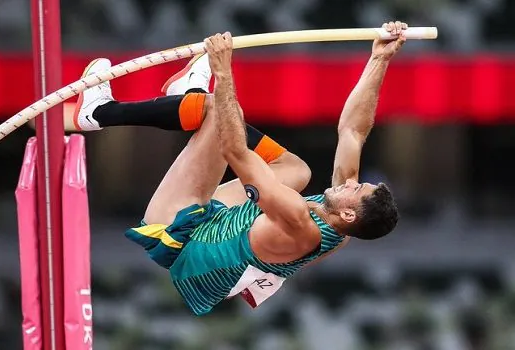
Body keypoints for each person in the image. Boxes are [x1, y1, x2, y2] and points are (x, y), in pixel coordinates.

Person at [70, 21, 405, 316]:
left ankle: (100, 112)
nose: (351, 183)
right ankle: (188, 97)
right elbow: (353, 131)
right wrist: (379, 59)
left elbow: (234, 151)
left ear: (349, 215)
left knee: (217, 111)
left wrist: (224, 73)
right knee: (296, 170)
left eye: (357, 189)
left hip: (178, 230)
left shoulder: (299, 223)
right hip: (221, 222)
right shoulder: (342, 223)